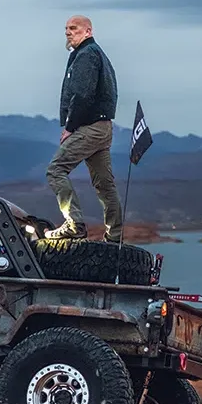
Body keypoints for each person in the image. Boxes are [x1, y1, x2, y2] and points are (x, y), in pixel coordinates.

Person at [44, 15, 123, 243]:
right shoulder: (96, 54)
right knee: (105, 185)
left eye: (74, 28)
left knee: (56, 170)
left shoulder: (87, 55)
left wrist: (70, 127)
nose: (68, 32)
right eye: (66, 28)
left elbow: (82, 95)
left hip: (90, 127)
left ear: (88, 31)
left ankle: (74, 224)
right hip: (103, 128)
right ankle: (114, 237)